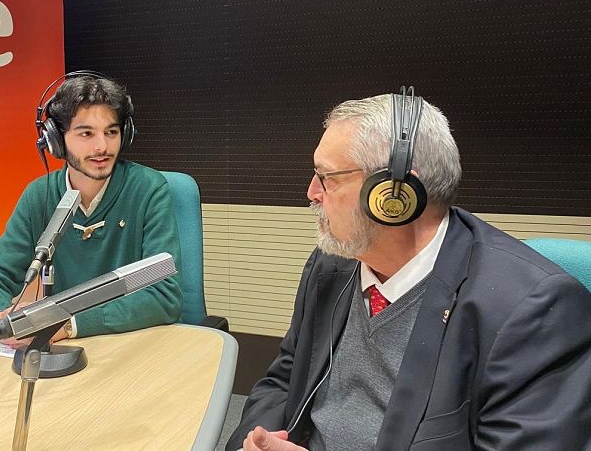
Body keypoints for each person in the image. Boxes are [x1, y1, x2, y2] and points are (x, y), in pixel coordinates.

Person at [227, 93, 591, 450]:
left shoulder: (532, 308)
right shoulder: (332, 264)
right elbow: (285, 376)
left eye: (327, 177)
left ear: (393, 195)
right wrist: (258, 441)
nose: (311, 192)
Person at [0, 75, 183, 342]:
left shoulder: (148, 189)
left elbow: (164, 295)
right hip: (65, 352)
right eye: (86, 133)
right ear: (56, 139)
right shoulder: (39, 196)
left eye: (111, 132)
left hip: (134, 344)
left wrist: (70, 323)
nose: (101, 146)